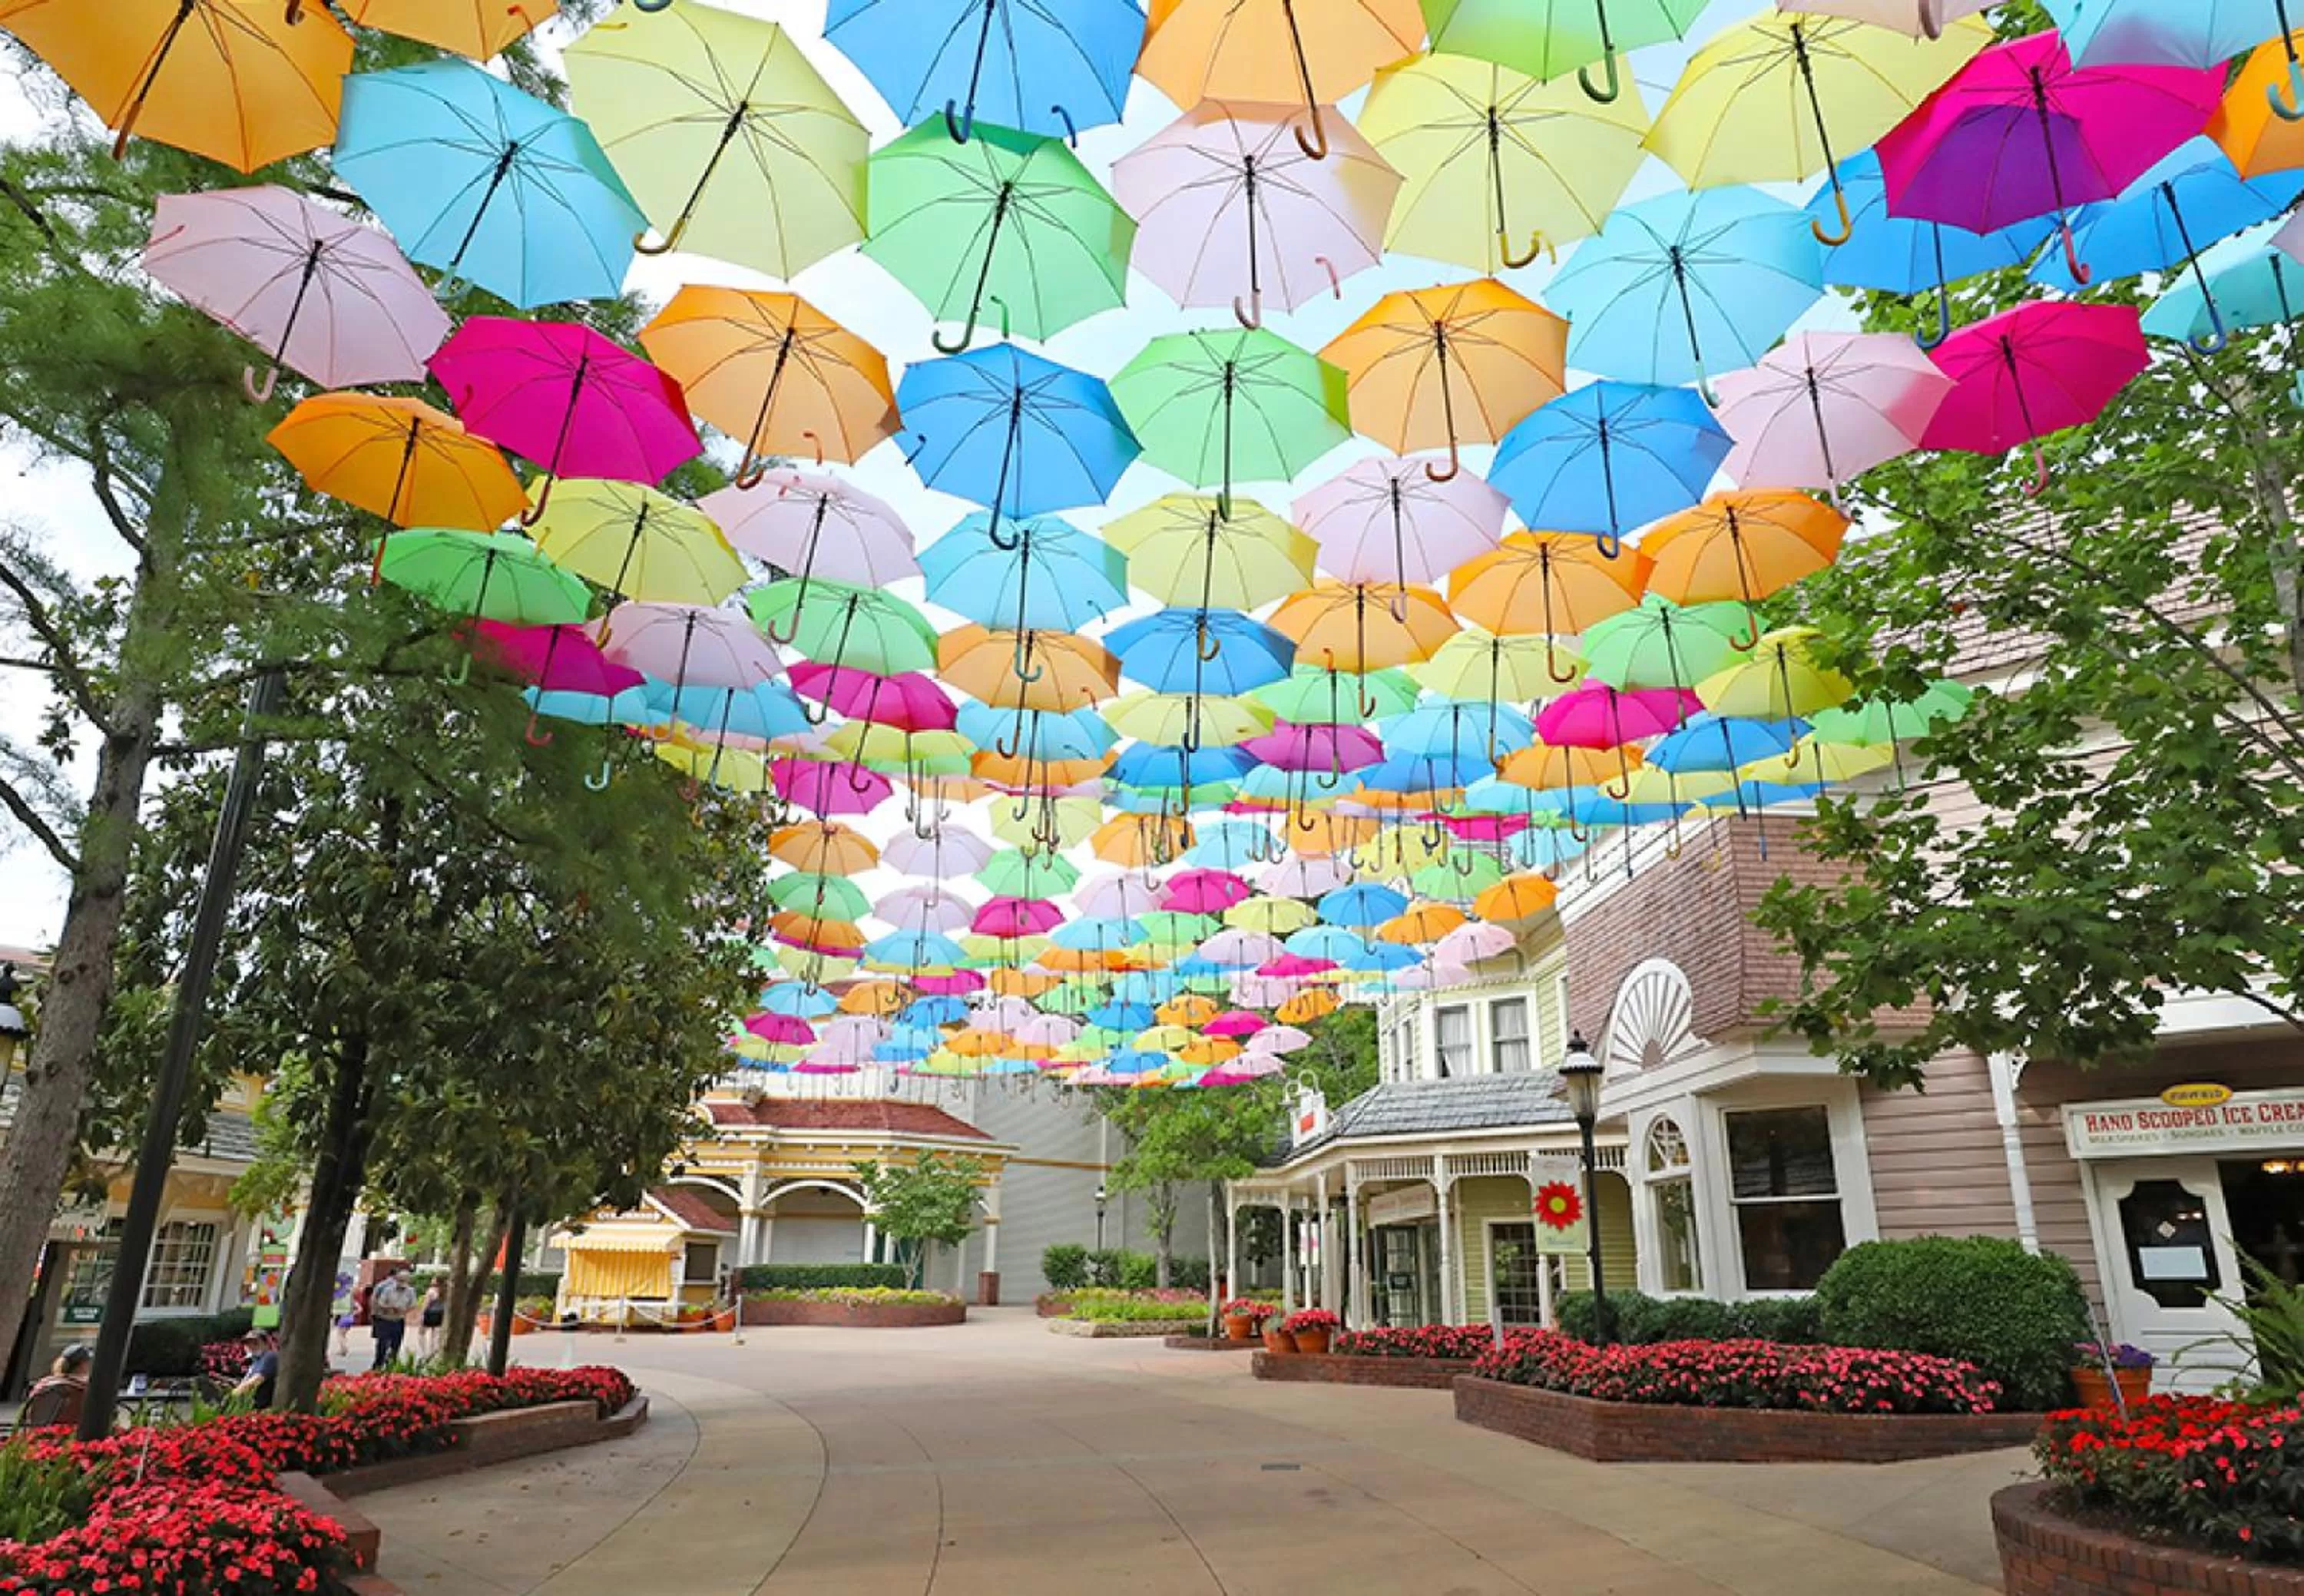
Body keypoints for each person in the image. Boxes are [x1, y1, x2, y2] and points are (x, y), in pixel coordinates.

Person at [18, 1343, 91, 1429]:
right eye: (87, 1362)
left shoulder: (44, 1383)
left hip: (36, 1434)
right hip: (66, 1435)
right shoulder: (80, 1389)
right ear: (82, 1364)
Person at [368, 1267, 418, 1369]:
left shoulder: (410, 1291)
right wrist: (390, 1308)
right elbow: (380, 1302)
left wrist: (404, 1310)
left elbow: (413, 1305)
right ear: (396, 1279)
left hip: (398, 1320)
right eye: (400, 1280)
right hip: (384, 1319)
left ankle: (391, 1365)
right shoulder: (387, 1289)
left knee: (396, 1345)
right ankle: (378, 1365)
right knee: (382, 1344)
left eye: (405, 1281)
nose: (402, 1283)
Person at [230, 1327, 280, 1409]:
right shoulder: (256, 1361)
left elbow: (257, 1380)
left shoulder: (270, 1357)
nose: (251, 1346)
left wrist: (233, 1394)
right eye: (247, 1343)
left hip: (262, 1409)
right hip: (251, 1406)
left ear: (266, 1343)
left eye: (255, 1343)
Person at [330, 1270, 357, 1359]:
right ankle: (343, 1348)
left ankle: (344, 1349)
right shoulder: (349, 1294)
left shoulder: (338, 1296)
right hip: (350, 1317)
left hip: (342, 1317)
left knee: (340, 1335)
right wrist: (353, 1313)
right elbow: (357, 1307)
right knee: (343, 1334)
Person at [418, 1277, 446, 1357]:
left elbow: (426, 1304)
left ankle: (424, 1351)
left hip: (430, 1313)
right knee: (436, 1334)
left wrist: (421, 1314)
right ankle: (434, 1351)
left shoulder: (431, 1291)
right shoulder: (446, 1291)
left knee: (421, 1333)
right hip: (440, 1313)